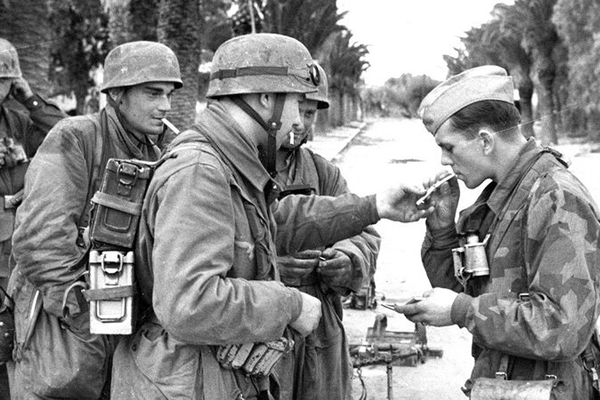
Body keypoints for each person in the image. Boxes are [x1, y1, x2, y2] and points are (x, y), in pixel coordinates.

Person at [109, 33, 432, 400]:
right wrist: (290, 304)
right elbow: (188, 302)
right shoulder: (201, 170)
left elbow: (275, 222)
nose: (297, 120)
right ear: (266, 99)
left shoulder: (227, 164)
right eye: (295, 102)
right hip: (186, 383)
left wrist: (374, 206)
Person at [396, 65, 600, 399]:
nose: (444, 161)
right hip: (509, 386)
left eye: (449, 147)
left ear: (486, 140)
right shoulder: (504, 195)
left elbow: (563, 328)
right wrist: (442, 230)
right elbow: (464, 292)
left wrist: (461, 311)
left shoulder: (556, 196)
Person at [7, 40, 182, 399]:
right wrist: (82, 311)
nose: (164, 106)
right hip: (63, 328)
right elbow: (40, 239)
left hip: (128, 326)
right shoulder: (76, 137)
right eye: (153, 94)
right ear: (118, 94)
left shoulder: (163, 150)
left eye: (168, 95)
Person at [273, 62, 380, 400]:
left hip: (321, 329)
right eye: (298, 111)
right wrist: (274, 267)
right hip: (263, 328)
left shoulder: (323, 173)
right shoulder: (240, 171)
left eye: (310, 114)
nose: (302, 123)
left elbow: (363, 233)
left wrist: (347, 260)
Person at [0, 37, 66, 400]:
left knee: (14, 332)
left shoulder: (18, 119)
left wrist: (30, 97)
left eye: (3, 80)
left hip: (20, 247)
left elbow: (64, 132)